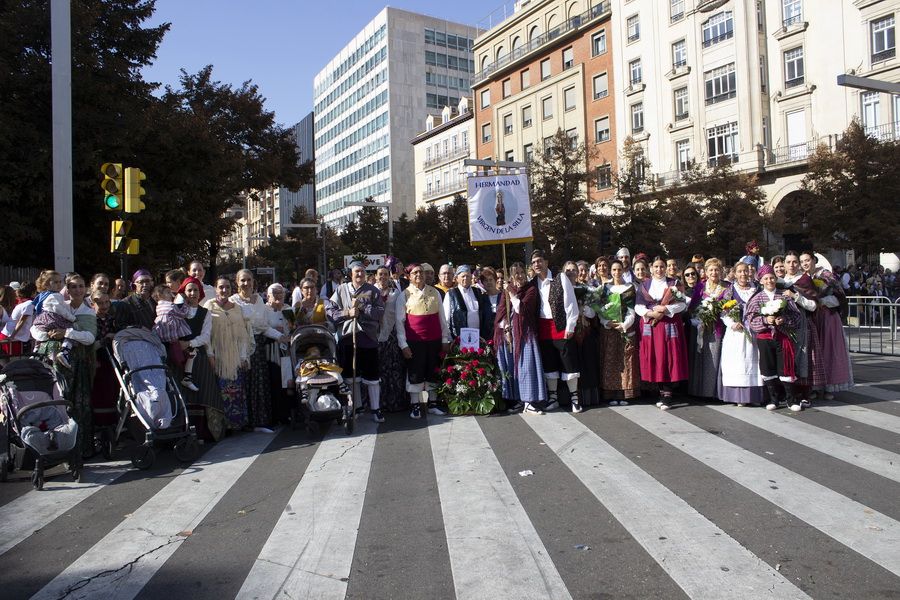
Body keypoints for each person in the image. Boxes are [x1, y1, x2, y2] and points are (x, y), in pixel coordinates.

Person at [31, 273, 97, 456]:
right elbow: (35, 327)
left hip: (76, 363)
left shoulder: (88, 311)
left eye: (81, 286)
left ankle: (80, 448)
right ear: (67, 289)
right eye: (73, 286)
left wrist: (66, 333)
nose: (77, 290)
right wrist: (46, 335)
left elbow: (89, 337)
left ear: (86, 289)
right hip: (52, 361)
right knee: (55, 402)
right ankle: (52, 448)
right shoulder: (58, 305)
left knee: (75, 404)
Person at [327, 262, 386, 423]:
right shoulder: (341, 290)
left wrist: (362, 308)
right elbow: (330, 310)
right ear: (351, 274)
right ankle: (357, 407)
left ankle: (376, 408)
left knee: (372, 376)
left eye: (362, 271)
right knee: (351, 375)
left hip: (368, 338)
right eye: (356, 272)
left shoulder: (372, 290)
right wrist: (347, 312)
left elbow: (380, 313)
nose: (359, 274)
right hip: (347, 338)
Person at [231, 269, 289, 431]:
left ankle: (259, 420)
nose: (246, 283)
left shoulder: (259, 300)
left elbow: (263, 327)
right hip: (240, 345)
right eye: (242, 280)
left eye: (249, 280)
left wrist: (280, 336)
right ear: (237, 282)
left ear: (253, 281)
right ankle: (244, 421)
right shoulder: (233, 301)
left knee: (259, 383)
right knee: (243, 382)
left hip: (258, 347)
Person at [395, 263, 451, 419]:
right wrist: (403, 345)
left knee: (433, 370)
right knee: (415, 372)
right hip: (414, 341)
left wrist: (445, 338)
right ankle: (415, 405)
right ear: (409, 276)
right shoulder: (404, 295)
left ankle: (432, 403)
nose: (419, 275)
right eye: (415, 273)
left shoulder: (435, 292)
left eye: (421, 272)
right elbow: (400, 323)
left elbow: (442, 318)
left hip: (434, 340)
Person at [635, 257, 689, 410]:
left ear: (666, 268)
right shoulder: (644, 286)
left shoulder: (675, 284)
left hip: (670, 324)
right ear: (651, 268)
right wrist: (651, 313)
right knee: (656, 357)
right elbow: (638, 306)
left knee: (670, 357)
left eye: (662, 266)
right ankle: (661, 391)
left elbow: (682, 304)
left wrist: (666, 310)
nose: (659, 270)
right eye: (656, 267)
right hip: (652, 325)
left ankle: (668, 394)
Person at [746, 265, 802, 412]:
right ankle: (774, 399)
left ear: (776, 279)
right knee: (768, 367)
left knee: (786, 367)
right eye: (766, 278)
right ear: (761, 281)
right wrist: (766, 321)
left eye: (772, 278)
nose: (769, 280)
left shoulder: (784, 295)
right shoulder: (756, 298)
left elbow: (796, 316)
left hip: (783, 337)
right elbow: (751, 319)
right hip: (765, 338)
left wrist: (784, 319)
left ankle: (791, 400)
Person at [531, 250, 581, 413]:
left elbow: (571, 304)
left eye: (539, 261)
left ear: (546, 262)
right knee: (549, 363)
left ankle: (575, 399)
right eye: (534, 262)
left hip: (560, 325)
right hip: (542, 327)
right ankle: (553, 398)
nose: (537, 264)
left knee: (569, 362)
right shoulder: (532, 283)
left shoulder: (560, 278)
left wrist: (570, 326)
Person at [494, 261, 547, 414]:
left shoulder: (530, 289)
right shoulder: (506, 291)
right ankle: (517, 399)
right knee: (512, 368)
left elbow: (521, 309)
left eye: (522, 272)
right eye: (516, 273)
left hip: (525, 334)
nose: (520, 276)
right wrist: (506, 329)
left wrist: (511, 293)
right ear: (511, 275)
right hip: (509, 335)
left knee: (526, 367)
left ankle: (529, 401)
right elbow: (501, 314)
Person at [801, 251, 853, 397]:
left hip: (828, 317)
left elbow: (839, 297)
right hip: (813, 318)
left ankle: (829, 386)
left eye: (807, 260)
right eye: (802, 261)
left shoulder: (826, 275)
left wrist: (821, 300)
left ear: (813, 260)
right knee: (815, 353)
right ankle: (816, 386)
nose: (805, 263)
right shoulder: (804, 277)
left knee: (829, 351)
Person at [207, 276, 253, 431]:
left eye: (227, 287)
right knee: (221, 392)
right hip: (218, 357)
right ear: (215, 289)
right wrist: (210, 355)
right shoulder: (209, 306)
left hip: (234, 358)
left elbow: (243, 337)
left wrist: (243, 357)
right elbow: (206, 335)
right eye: (221, 287)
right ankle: (223, 426)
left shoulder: (237, 308)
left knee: (237, 391)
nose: (224, 290)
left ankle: (237, 424)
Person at [717, 262, 764, 406]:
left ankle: (755, 396)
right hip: (736, 332)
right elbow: (723, 311)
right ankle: (738, 397)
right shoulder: (729, 291)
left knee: (754, 362)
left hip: (754, 330)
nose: (743, 274)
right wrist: (732, 323)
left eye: (745, 271)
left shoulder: (757, 290)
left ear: (750, 273)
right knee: (737, 363)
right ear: (735, 274)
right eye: (740, 271)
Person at [781, 251, 825, 405]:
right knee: (787, 358)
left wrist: (795, 296)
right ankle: (788, 393)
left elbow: (813, 306)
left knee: (804, 359)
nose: (791, 265)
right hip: (784, 326)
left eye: (794, 262)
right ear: (784, 264)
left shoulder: (804, 280)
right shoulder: (779, 281)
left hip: (803, 325)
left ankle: (804, 393)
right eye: (788, 262)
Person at [687, 258, 731, 400]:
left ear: (721, 271)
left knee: (715, 357)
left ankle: (714, 392)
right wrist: (699, 319)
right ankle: (700, 391)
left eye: (716, 269)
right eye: (711, 270)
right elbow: (692, 307)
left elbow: (730, 306)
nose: (714, 272)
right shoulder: (700, 287)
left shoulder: (727, 287)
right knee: (701, 358)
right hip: (702, 328)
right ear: (706, 272)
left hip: (718, 328)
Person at [598, 260, 639, 405]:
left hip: (624, 329)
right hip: (609, 329)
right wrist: (606, 322)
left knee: (625, 362)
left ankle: (623, 394)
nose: (616, 272)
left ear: (623, 270)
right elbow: (601, 310)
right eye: (614, 270)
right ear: (610, 271)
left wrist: (625, 324)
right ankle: (612, 394)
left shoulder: (629, 287)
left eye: (619, 269)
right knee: (611, 362)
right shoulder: (605, 288)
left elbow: (631, 309)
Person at [152, 284, 199, 391]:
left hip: (164, 337)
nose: (171, 295)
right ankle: (187, 377)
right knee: (192, 352)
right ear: (160, 295)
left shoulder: (158, 307)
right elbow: (184, 314)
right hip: (175, 335)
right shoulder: (171, 306)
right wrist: (186, 304)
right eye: (168, 293)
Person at [374, 265, 406, 412]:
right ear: (376, 276)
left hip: (392, 336)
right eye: (380, 274)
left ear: (389, 276)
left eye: (385, 274)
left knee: (393, 369)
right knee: (377, 370)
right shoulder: (370, 291)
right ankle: (377, 403)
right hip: (374, 337)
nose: (383, 277)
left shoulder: (396, 293)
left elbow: (401, 315)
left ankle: (394, 401)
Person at [30, 270, 78, 369]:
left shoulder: (44, 295)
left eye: (60, 281)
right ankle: (64, 351)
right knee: (70, 331)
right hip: (53, 318)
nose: (59, 284)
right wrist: (72, 317)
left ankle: (35, 352)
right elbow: (59, 309)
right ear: (46, 285)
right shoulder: (55, 295)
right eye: (55, 282)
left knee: (40, 338)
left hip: (43, 319)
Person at [443, 264, 494, 341]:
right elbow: (446, 319)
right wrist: (447, 339)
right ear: (457, 278)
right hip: (458, 338)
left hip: (478, 338)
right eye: (463, 276)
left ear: (471, 277)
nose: (465, 278)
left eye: (468, 276)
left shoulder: (477, 291)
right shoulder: (451, 294)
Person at [0, 281, 35, 359]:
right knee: (11, 365)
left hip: (11, 337)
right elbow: (21, 321)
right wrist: (12, 336)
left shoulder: (21, 303)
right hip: (10, 338)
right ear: (33, 292)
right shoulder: (29, 304)